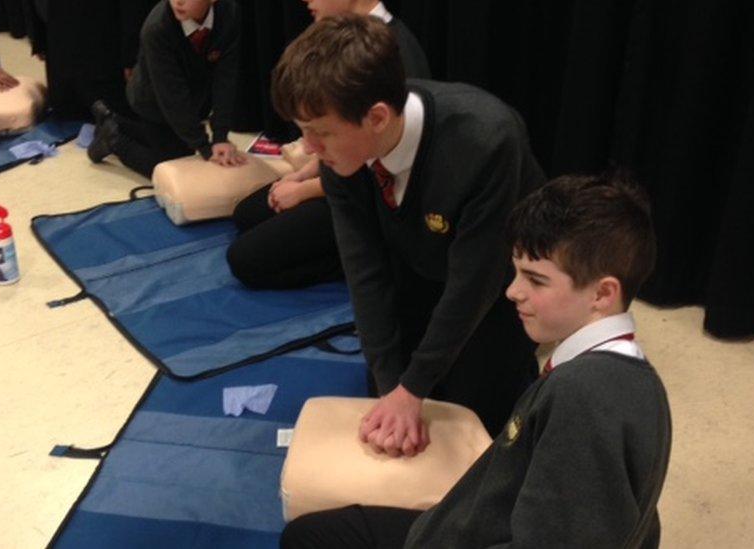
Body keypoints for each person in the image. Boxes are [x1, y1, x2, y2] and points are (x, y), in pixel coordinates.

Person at [282, 173, 672, 549]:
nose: (512, 291)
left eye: (535, 280)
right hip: (478, 521)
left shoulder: (587, 398)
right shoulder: (625, 375)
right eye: (516, 273)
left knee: (309, 538)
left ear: (602, 294)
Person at [272, 15, 543, 445]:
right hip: (419, 263)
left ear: (377, 117)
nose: (309, 149)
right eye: (304, 132)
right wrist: (390, 385)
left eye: (319, 133)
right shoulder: (344, 155)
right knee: (386, 407)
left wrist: (414, 387)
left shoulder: (486, 142)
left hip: (497, 288)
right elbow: (365, 270)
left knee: (470, 422)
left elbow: (475, 281)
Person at [227, 0, 431, 289]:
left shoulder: (395, 56)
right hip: (345, 172)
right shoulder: (346, 44)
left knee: (246, 261)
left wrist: (304, 190)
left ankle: (369, 259)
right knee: (247, 214)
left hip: (367, 192)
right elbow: (334, 135)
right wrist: (301, 175)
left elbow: (378, 167)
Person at [87, 0, 246, 176]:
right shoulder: (157, 28)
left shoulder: (229, 13)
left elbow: (226, 79)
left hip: (193, 97)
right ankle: (114, 139)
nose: (178, 2)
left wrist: (220, 137)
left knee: (183, 150)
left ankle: (112, 121)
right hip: (151, 100)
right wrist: (204, 146)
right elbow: (172, 96)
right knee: (173, 167)